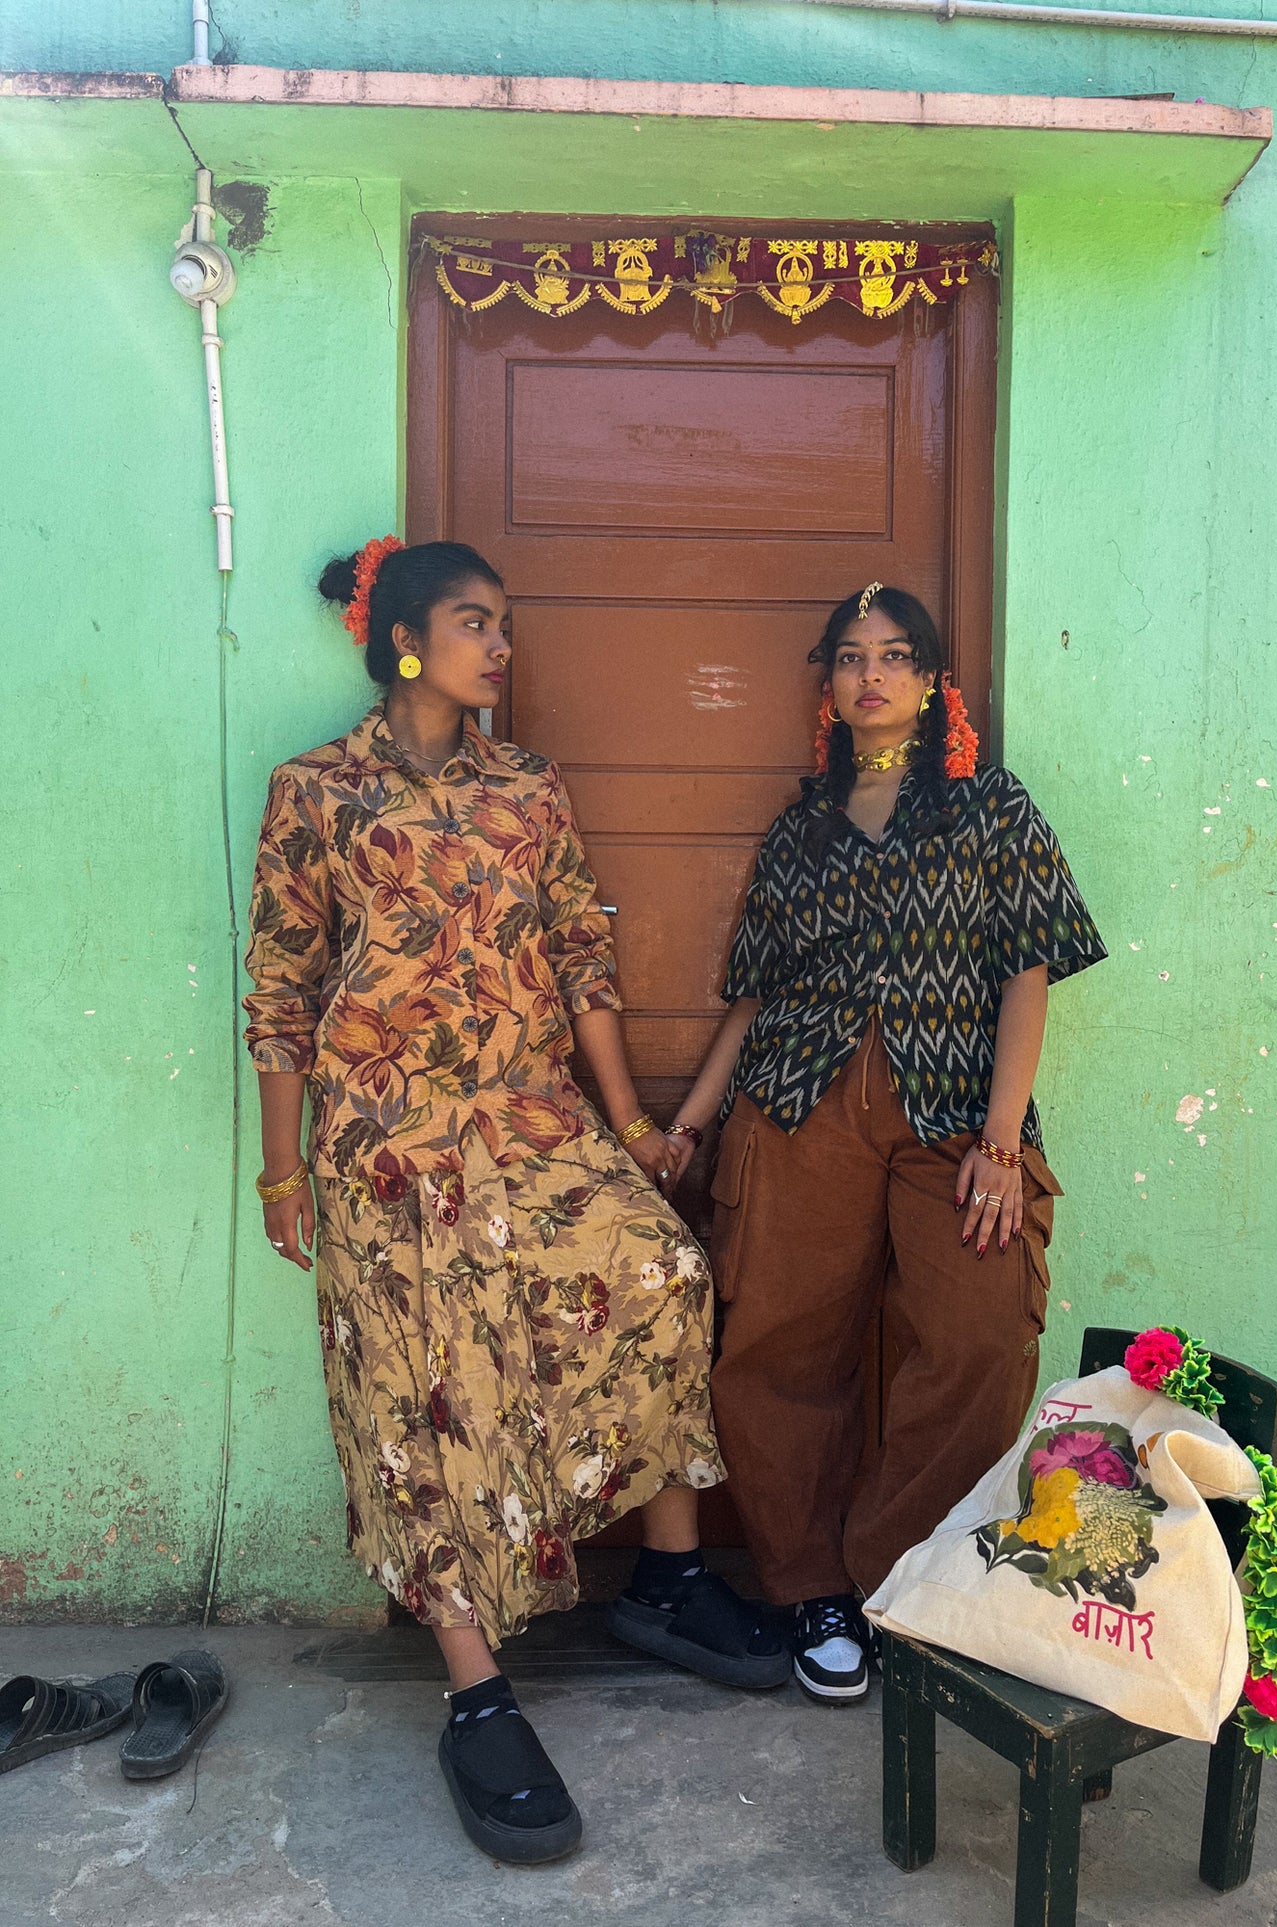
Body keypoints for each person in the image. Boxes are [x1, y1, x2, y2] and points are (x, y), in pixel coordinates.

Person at [243, 537, 787, 1864]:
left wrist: (634, 1124)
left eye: (506, 623)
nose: (502, 645)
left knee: (661, 1273)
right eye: (477, 622)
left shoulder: (526, 785)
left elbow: (579, 953)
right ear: (409, 640)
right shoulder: (316, 789)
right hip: (387, 1148)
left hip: (530, 1120)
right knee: (428, 1394)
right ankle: (476, 1690)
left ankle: (666, 1575)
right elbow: (278, 989)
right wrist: (282, 1161)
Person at [666, 583, 1107, 1705]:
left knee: (974, 1334)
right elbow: (755, 996)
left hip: (955, 1113)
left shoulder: (987, 808)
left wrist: (1000, 1142)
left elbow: (1027, 965)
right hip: (799, 1103)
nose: (871, 674)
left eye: (895, 655)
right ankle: (810, 1583)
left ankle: (892, 1570)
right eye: (850, 657)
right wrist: (690, 1120)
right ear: (828, 684)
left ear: (929, 682)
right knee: (776, 1343)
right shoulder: (800, 827)